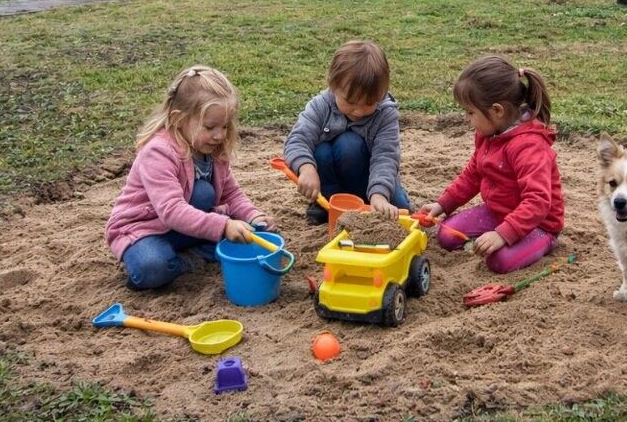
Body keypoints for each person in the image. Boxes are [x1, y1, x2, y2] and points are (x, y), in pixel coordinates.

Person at [105, 65, 277, 291]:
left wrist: (253, 215)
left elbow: (231, 193)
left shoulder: (213, 149)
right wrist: (224, 225)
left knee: (228, 213)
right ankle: (188, 259)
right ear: (179, 119)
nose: (219, 135)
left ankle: (191, 253)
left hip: (183, 229)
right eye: (210, 127)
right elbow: (172, 210)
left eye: (225, 126)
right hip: (144, 230)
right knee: (152, 267)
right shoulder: (159, 152)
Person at [417, 55, 565, 274]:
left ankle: (544, 243)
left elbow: (538, 202)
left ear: (497, 111)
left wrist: (502, 234)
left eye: (470, 112)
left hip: (538, 224)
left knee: (498, 261)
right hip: (498, 212)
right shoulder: (488, 133)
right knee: (447, 235)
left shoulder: (529, 147)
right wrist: (443, 205)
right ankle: (500, 234)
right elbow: (472, 175)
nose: (468, 119)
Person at [285, 40, 411, 223]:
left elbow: (386, 157)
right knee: (323, 150)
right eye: (351, 102)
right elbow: (297, 139)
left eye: (369, 103)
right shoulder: (320, 106)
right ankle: (328, 201)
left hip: (369, 177)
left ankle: (366, 198)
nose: (359, 111)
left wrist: (379, 194)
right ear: (333, 86)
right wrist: (306, 168)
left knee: (401, 210)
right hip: (331, 179)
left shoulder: (385, 113)